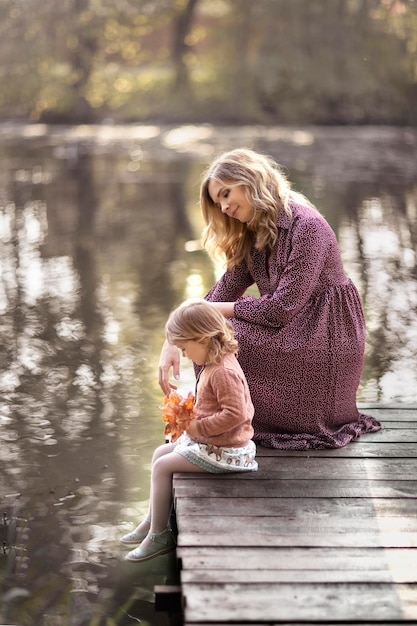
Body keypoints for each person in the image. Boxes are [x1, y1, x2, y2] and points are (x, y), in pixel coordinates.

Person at [158, 148, 381, 450]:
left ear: (250, 180)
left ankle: (228, 421)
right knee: (210, 332)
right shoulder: (256, 232)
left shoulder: (307, 227)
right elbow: (220, 292)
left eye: (226, 194)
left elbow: (280, 309)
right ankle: (219, 420)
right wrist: (172, 340)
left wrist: (207, 312)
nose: (223, 207)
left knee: (217, 336)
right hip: (292, 329)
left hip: (325, 338)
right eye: (217, 201)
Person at [121, 298, 258, 562]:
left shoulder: (222, 371)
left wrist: (197, 427)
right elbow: (216, 404)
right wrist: (189, 414)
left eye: (185, 348)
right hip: (217, 442)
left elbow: (237, 414)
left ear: (203, 338)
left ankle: (160, 535)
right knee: (160, 452)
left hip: (229, 450)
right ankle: (153, 520)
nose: (183, 355)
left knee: (163, 467)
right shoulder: (215, 362)